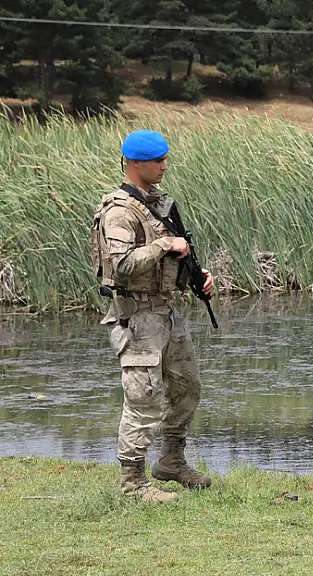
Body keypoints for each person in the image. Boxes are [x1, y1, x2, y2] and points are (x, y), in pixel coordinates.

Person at [91, 129, 216, 503]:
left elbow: (171, 259)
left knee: (186, 388)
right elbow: (123, 265)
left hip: (166, 312)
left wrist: (197, 277)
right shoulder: (119, 210)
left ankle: (172, 461)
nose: (165, 166)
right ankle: (133, 484)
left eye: (165, 159)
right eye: (157, 161)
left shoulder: (157, 203)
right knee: (142, 398)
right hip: (137, 315)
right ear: (135, 163)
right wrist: (165, 244)